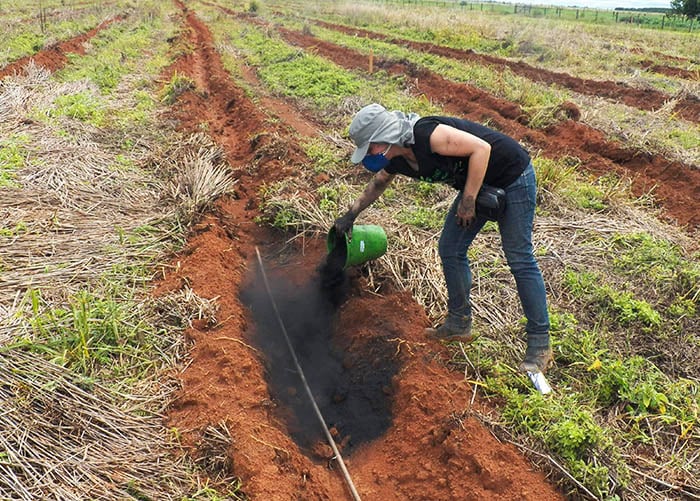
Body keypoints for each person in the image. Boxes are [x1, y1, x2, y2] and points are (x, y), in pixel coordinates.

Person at [333, 103, 552, 373]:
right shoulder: (398, 159)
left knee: (519, 257)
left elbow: (481, 149)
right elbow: (378, 182)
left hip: (511, 174)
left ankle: (540, 345)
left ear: (384, 137)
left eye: (370, 148)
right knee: (450, 248)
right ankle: (459, 323)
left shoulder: (427, 135)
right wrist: (350, 215)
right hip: (479, 181)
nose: (369, 156)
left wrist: (468, 201)